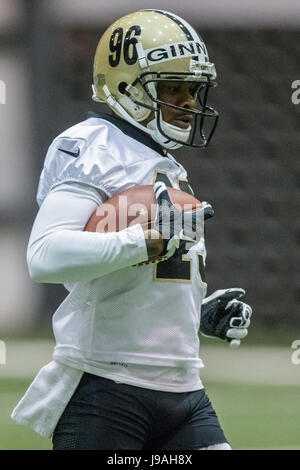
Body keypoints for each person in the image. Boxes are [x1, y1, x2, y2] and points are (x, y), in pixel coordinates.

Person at [11, 9, 252, 450]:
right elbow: (44, 255)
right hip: (107, 386)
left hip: (183, 387)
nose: (189, 103)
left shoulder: (163, 163)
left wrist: (198, 311)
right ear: (126, 88)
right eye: (173, 88)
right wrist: (143, 240)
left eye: (193, 90)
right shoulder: (93, 146)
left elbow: (140, 276)